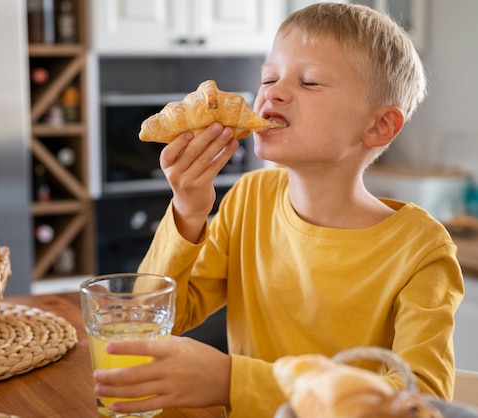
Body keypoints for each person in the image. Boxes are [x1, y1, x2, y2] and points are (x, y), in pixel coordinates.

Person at [92, 3, 465, 417]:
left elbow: (421, 402)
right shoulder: (251, 198)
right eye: (269, 76)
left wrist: (230, 381)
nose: (272, 92)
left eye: (309, 82)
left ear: (378, 127)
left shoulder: (422, 250)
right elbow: (154, 316)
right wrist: (187, 210)